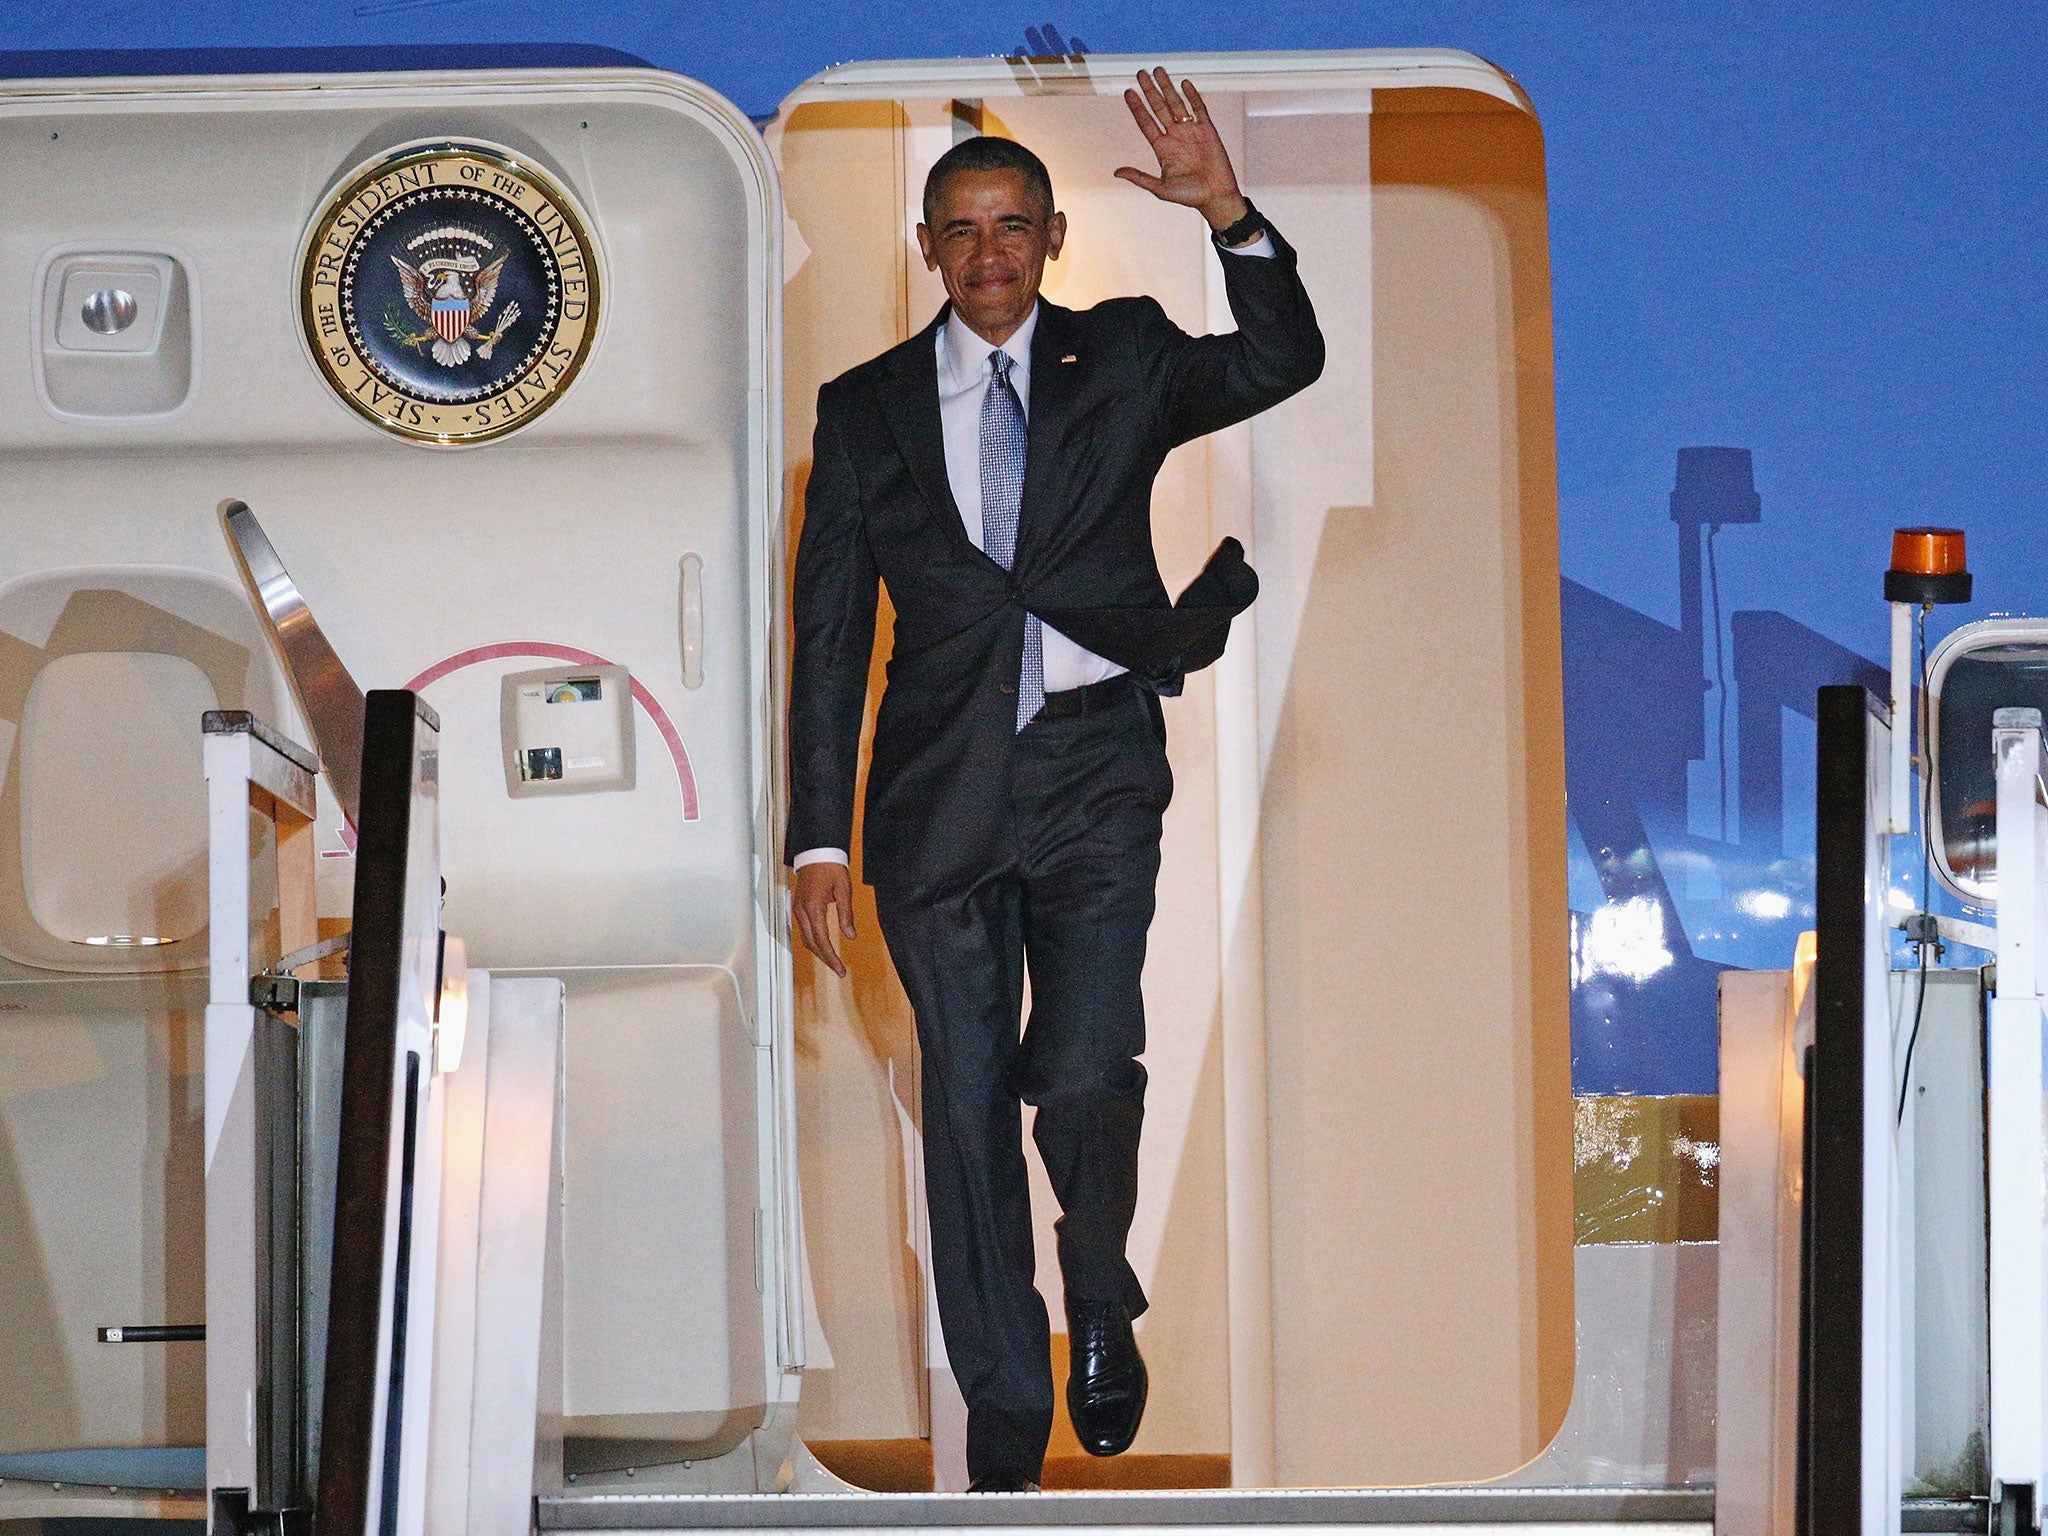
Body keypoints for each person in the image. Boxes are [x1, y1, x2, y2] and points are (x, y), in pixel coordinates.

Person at [787, 68, 1323, 1492]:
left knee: (1081, 1073)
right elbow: (831, 634)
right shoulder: (865, 411)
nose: (990, 254)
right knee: (962, 1114)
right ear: (928, 250)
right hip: (933, 804)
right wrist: (813, 843)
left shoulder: (1127, 358)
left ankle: (1099, 1293)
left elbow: (1280, 363)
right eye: (961, 231)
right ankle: (1007, 1442)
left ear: (1053, 241)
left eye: (1015, 226)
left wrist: (1229, 213)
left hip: (1092, 773)